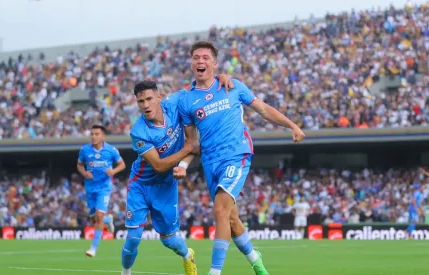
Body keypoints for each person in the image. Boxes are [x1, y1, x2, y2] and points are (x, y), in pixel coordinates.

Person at [177, 40, 306, 275]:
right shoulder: (186, 100)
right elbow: (192, 142)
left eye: (206, 57)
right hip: (210, 162)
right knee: (232, 219)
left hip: (236, 155)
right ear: (191, 62)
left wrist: (291, 125)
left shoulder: (233, 86)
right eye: (196, 57)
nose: (200, 61)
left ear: (214, 63)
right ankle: (257, 262)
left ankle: (214, 272)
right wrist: (184, 163)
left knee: (219, 211)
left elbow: (264, 110)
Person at [121, 76, 233, 275]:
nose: (145, 105)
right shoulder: (138, 132)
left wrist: (219, 77)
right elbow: (158, 165)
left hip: (165, 187)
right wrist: (188, 148)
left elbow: (198, 85)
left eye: (149, 99)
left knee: (169, 240)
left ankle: (187, 255)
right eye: (141, 101)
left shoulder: (174, 104)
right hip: (141, 185)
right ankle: (125, 272)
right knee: (133, 237)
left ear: (160, 97)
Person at [77, 125, 126, 257]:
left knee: (98, 216)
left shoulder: (111, 150)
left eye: (97, 134)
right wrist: (84, 173)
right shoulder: (85, 150)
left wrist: (113, 171)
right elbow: (79, 165)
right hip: (90, 187)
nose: (94, 136)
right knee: (94, 219)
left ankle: (93, 248)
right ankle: (107, 220)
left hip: (104, 188)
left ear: (103, 136)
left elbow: (122, 164)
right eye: (92, 134)